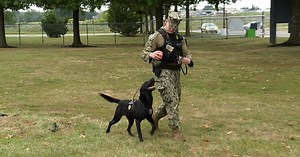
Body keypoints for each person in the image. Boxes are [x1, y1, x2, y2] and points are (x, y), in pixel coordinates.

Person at [141, 11, 193, 141]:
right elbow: (144, 53)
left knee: (172, 101)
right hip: (162, 73)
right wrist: (151, 55)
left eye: (175, 27)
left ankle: (155, 117)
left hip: (176, 73)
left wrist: (188, 61)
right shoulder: (156, 37)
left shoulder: (179, 39)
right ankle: (175, 131)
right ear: (166, 21)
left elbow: (188, 54)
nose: (172, 28)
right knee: (173, 100)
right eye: (171, 25)